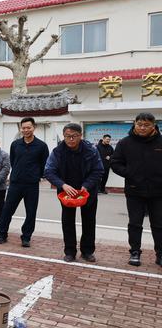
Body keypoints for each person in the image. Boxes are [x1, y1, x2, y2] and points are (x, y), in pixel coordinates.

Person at [45, 123, 104, 262]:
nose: (71, 139)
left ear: (80, 136)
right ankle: (70, 251)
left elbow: (98, 170)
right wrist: (62, 185)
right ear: (63, 136)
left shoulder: (91, 150)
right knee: (68, 221)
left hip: (87, 190)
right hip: (67, 191)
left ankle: (87, 251)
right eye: (67, 136)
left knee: (89, 221)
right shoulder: (57, 151)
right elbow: (49, 171)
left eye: (74, 136)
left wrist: (87, 185)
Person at [111, 113, 162, 268]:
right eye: (139, 124)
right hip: (134, 190)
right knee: (135, 224)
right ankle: (134, 252)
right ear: (134, 124)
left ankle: (160, 254)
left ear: (153, 126)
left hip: (158, 191)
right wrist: (130, 173)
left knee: (159, 225)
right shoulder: (125, 143)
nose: (142, 128)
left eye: (146, 125)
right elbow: (115, 163)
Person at [0, 117, 50, 247]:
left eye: (28, 127)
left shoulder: (41, 146)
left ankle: (26, 237)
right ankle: (2, 234)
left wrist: (38, 176)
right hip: (16, 183)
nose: (26, 130)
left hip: (32, 184)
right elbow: (13, 161)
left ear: (34, 127)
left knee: (31, 212)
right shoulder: (15, 144)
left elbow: (45, 164)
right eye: (23, 128)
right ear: (21, 128)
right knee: (7, 210)